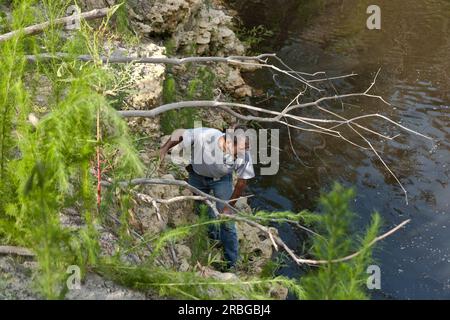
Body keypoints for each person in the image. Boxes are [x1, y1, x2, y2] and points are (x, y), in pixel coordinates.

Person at [159, 125, 255, 269]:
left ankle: (231, 262)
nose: (244, 152)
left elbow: (241, 183)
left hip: (221, 180)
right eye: (241, 148)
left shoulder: (244, 154)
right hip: (197, 177)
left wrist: (229, 206)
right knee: (202, 208)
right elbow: (180, 133)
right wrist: (164, 149)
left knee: (227, 221)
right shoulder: (205, 136)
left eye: (246, 148)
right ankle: (213, 236)